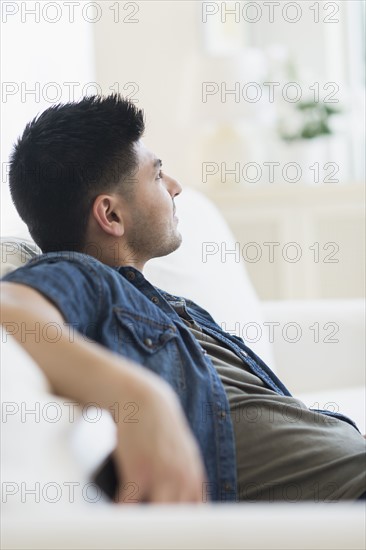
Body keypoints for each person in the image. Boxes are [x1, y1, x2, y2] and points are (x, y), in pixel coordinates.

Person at [1, 94, 365, 504]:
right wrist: (138, 396)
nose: (175, 187)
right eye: (157, 175)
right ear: (111, 216)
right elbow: (9, 306)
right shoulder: (85, 278)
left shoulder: (169, 306)